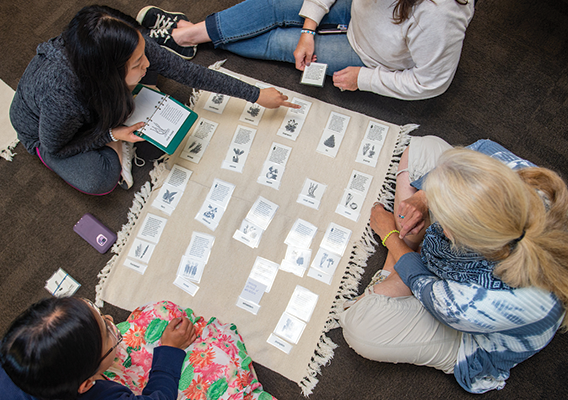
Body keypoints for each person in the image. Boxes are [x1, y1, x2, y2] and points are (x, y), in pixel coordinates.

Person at [338, 136, 568, 393]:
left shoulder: (471, 303)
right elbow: (481, 148)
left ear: (466, 240)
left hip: (473, 337)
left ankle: (399, 257)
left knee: (361, 327)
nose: (438, 223)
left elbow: (422, 282)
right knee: (422, 149)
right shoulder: (534, 186)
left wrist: (389, 235)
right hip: (472, 273)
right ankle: (408, 248)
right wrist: (422, 200)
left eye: (445, 222)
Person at [9, 5, 297, 195]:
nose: (148, 62)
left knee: (152, 75)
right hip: (46, 134)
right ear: (108, 74)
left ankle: (118, 113)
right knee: (102, 178)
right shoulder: (62, 98)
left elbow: (186, 72)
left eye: (143, 51)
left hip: (94, 99)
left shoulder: (121, 44)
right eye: (136, 63)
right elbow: (57, 145)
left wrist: (256, 94)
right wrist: (111, 134)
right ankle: (112, 132)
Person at [136, 0, 475, 100]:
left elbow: (431, 82)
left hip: (371, 57)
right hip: (353, 13)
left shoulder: (439, 16)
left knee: (277, 45)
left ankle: (185, 35)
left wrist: (366, 79)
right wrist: (309, 26)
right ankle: (188, 35)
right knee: (272, 5)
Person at [0, 297, 276, 400]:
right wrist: (168, 350)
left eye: (97, 312)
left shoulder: (16, 354)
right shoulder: (101, 395)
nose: (111, 320)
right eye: (109, 336)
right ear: (86, 385)